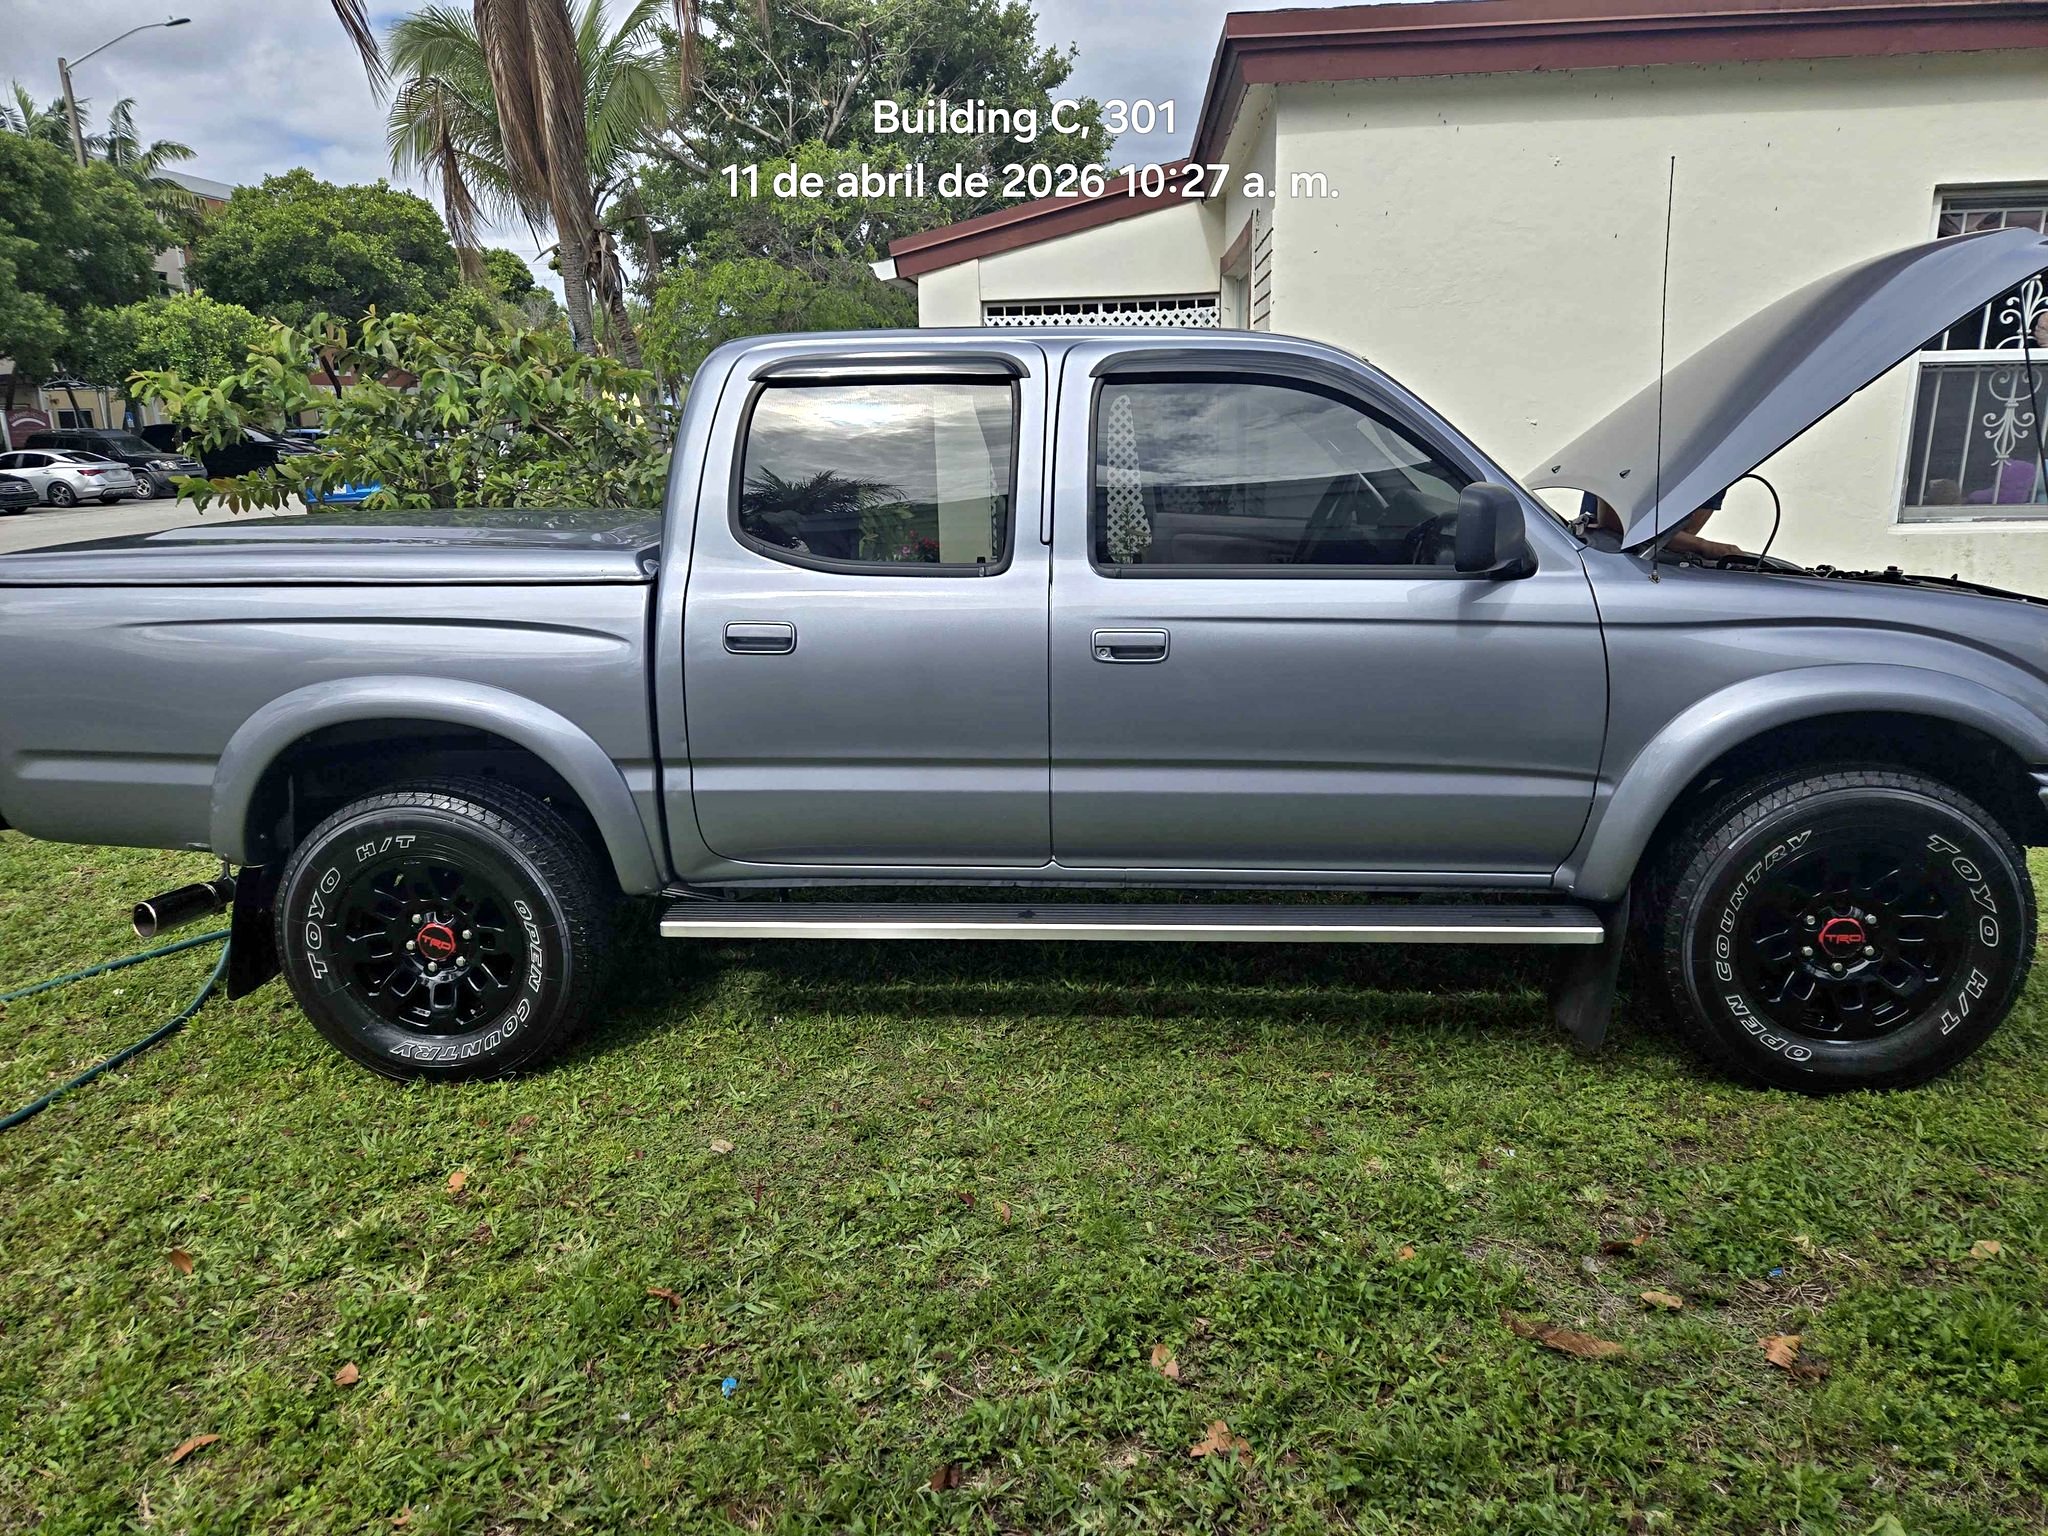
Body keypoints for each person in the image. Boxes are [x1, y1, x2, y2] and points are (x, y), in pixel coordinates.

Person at [1580, 487, 1745, 560]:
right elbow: (1615, 523)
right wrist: (1705, 546)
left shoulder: (1715, 467)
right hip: (1602, 559)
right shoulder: (1631, 444)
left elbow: (1683, 534)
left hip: (1650, 563)